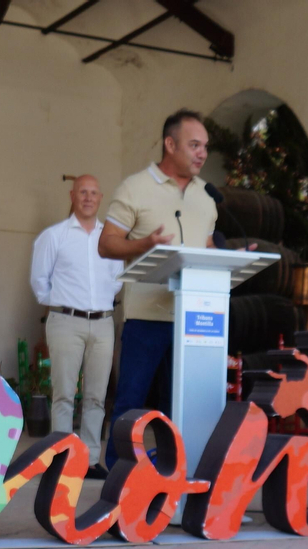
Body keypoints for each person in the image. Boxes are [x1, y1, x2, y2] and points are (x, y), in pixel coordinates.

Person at [98, 109, 218, 464]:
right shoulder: (135, 188)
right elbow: (106, 244)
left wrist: (230, 257)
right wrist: (144, 244)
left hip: (195, 320)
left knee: (179, 404)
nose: (202, 153)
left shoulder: (207, 196)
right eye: (194, 145)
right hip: (147, 315)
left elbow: (207, 248)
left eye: (205, 146)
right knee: (131, 399)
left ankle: (172, 473)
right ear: (170, 144)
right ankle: (117, 477)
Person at [30, 174, 126, 475]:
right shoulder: (53, 236)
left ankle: (90, 460)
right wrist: (63, 304)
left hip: (102, 324)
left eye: (93, 193)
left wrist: (97, 306)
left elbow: (116, 281)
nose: (88, 197)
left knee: (97, 397)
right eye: (82, 192)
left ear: (100, 199)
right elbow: (38, 282)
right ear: (72, 195)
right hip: (65, 321)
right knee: (64, 394)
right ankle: (62, 459)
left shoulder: (110, 240)